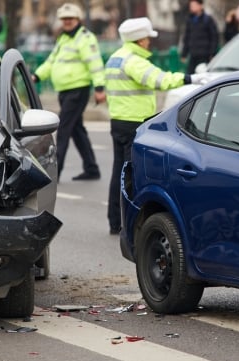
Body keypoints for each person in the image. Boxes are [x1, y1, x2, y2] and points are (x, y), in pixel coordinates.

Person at [104, 17, 206, 234]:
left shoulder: (115, 58)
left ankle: (114, 220)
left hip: (118, 120)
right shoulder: (134, 61)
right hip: (134, 122)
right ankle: (128, 224)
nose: (150, 41)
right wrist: (191, 79)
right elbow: (160, 80)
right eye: (148, 37)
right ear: (140, 40)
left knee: (118, 172)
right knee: (131, 175)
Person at [33, 3, 106, 181]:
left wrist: (99, 88)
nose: (67, 22)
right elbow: (51, 62)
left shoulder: (85, 38)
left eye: (70, 19)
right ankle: (92, 169)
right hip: (65, 91)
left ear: (78, 19)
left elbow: (95, 63)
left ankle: (54, 173)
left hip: (77, 90)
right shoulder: (64, 38)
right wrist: (36, 76)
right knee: (76, 130)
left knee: (64, 129)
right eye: (64, 19)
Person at [181, 0, 219, 74]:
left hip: (204, 55)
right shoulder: (190, 20)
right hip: (193, 54)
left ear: (201, 6)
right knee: (190, 75)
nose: (191, 7)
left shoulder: (208, 20)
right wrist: (184, 54)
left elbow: (214, 37)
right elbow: (187, 38)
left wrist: (212, 53)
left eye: (194, 5)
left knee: (203, 74)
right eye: (191, 5)